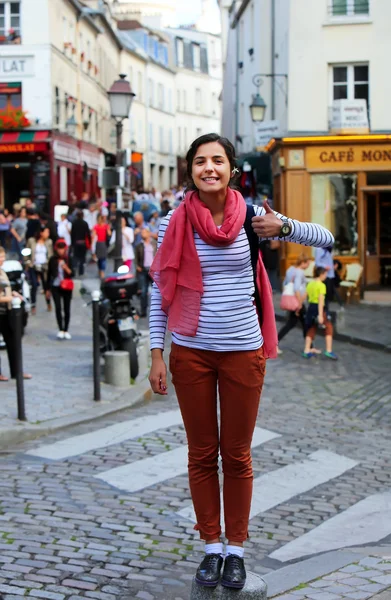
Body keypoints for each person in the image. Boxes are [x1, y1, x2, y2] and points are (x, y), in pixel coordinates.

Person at [148, 133, 334, 590]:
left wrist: (285, 229)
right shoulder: (173, 221)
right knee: (200, 454)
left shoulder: (254, 217)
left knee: (236, 454)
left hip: (242, 352)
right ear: (189, 170)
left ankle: (236, 550)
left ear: (231, 169)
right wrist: (157, 352)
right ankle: (211, 546)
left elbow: (327, 238)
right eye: (199, 162)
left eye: (217, 161)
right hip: (190, 352)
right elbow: (160, 290)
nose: (208, 168)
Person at [0, 246, 32, 381]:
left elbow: (5, 289)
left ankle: (16, 371)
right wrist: (10, 298)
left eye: (3, 257)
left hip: (6, 311)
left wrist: (13, 293)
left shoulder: (2, 272)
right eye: (0, 257)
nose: (3, 260)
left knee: (13, 341)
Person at [303, 266, 337, 360]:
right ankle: (329, 350)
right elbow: (321, 301)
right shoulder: (322, 285)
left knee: (311, 328)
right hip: (318, 308)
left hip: (311, 307)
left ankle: (306, 350)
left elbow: (305, 295)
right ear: (321, 274)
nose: (326, 276)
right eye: (325, 274)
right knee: (329, 327)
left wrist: (299, 305)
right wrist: (321, 315)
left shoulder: (310, 283)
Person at [278, 254, 312, 347]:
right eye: (308, 264)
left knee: (294, 323)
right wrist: (300, 303)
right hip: (298, 301)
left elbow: (285, 284)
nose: (308, 266)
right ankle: (309, 347)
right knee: (303, 323)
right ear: (303, 263)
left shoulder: (290, 270)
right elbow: (297, 288)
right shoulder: (300, 272)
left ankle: (309, 347)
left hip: (292, 300)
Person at [48, 239, 74, 340]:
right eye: (59, 248)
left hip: (67, 286)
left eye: (62, 248)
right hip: (56, 286)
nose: (61, 251)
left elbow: (73, 273)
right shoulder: (52, 260)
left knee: (67, 308)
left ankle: (66, 329)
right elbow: (49, 274)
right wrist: (47, 289)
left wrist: (66, 268)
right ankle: (60, 329)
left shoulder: (68, 259)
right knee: (58, 307)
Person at [26, 227, 53, 315]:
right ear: (41, 233)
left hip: (44, 267)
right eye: (46, 232)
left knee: (46, 286)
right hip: (34, 266)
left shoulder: (49, 242)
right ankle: (33, 305)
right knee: (34, 285)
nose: (48, 234)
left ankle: (48, 303)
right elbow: (26, 252)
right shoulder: (32, 241)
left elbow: (50, 254)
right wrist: (28, 262)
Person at [135, 228, 156, 317]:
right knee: (143, 291)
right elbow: (136, 258)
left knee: (157, 291)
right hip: (143, 270)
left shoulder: (154, 244)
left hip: (153, 270)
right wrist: (137, 266)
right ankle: (143, 311)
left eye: (144, 232)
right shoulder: (139, 245)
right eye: (141, 232)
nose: (142, 234)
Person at [71, 210, 90, 277]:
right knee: (82, 257)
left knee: (75, 257)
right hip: (83, 242)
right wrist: (89, 243)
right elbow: (88, 234)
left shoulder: (74, 223)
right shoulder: (85, 223)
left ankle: (75, 269)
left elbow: (72, 234)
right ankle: (81, 272)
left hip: (76, 242)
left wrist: (72, 243)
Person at [92, 214, 111, 279]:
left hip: (101, 243)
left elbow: (93, 236)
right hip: (101, 243)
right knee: (101, 258)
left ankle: (101, 270)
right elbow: (109, 234)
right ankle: (101, 270)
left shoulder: (98, 226)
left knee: (101, 258)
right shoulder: (100, 226)